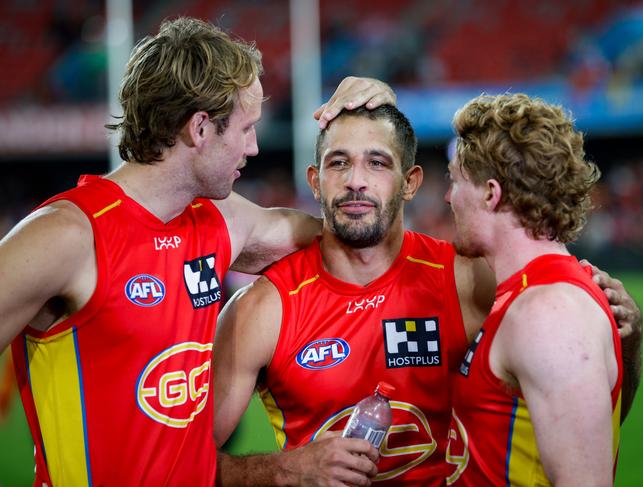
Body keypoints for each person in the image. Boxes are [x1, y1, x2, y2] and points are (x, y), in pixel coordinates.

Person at [0, 17, 395, 486]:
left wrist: (377, 116)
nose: (253, 147)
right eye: (246, 129)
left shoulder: (221, 221)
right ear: (201, 128)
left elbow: (352, 235)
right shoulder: (67, 235)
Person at [213, 105, 642, 486]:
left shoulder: (473, 283)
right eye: (338, 162)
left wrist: (627, 341)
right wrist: (285, 471)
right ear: (315, 180)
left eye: (378, 163)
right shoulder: (262, 309)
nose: (355, 181)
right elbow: (174, 464)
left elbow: (577, 422)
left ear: (410, 181)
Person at [445, 93, 641, 486]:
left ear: (490, 192)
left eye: (454, 180)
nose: (449, 197)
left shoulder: (549, 313)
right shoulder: (531, 296)